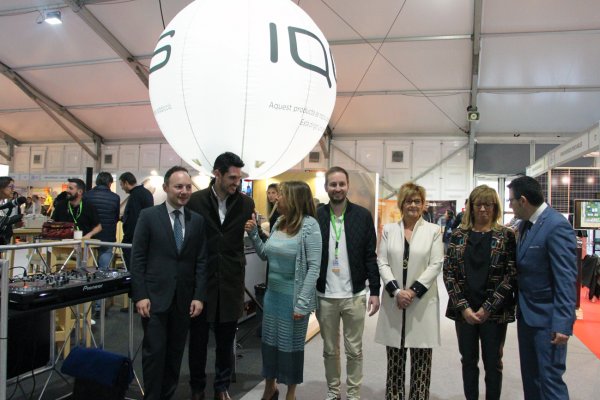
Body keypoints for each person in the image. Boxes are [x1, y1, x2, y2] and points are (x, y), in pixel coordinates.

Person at [130, 166, 207, 400]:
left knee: (175, 355)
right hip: (154, 299)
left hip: (183, 300)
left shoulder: (197, 221)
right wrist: (140, 294)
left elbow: (201, 261)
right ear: (165, 188)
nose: (184, 191)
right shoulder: (149, 216)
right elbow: (138, 258)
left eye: (188, 187)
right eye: (178, 186)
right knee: (154, 354)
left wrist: (198, 296)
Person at [186, 152, 255, 400]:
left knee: (226, 341)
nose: (237, 182)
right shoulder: (195, 201)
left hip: (231, 280)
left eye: (239, 177)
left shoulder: (246, 204)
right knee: (198, 340)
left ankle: (221, 387)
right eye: (232, 177)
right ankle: (197, 388)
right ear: (217, 173)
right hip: (201, 281)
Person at [244, 181, 321, 400]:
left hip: (294, 299)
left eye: (282, 194)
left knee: (291, 348)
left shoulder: (310, 226)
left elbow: (314, 268)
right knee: (269, 345)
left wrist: (302, 303)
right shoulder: (279, 222)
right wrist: (254, 234)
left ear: (295, 199)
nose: (277, 198)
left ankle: (291, 394)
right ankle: (270, 388)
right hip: (272, 296)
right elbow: (265, 255)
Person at [443, 185, 517, 400]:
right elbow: (449, 273)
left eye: (488, 204)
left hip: (494, 312)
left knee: (493, 363)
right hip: (464, 312)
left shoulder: (506, 236)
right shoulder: (458, 235)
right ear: (471, 207)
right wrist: (464, 307)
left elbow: (511, 275)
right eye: (478, 204)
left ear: (495, 207)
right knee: (468, 361)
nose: (483, 209)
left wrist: (488, 307)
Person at [507, 176, 577, 400]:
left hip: (548, 320)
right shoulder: (524, 225)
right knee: (531, 379)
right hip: (527, 316)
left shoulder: (556, 226)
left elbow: (566, 279)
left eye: (511, 201)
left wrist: (563, 323)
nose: (510, 206)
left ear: (523, 200)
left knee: (550, 381)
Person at [315, 166, 380, 400]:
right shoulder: (317, 216)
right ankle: (333, 392)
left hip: (354, 294)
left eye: (341, 184)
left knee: (354, 350)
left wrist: (375, 290)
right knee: (329, 350)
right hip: (325, 296)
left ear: (348, 186)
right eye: (333, 184)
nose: (337, 188)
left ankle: (353, 394)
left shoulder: (362, 216)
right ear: (326, 187)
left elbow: (370, 256)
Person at [375, 182, 444, 400]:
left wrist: (412, 291)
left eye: (417, 201)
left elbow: (436, 264)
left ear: (423, 205)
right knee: (395, 361)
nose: (413, 205)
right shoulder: (389, 230)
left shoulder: (433, 231)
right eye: (408, 201)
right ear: (401, 204)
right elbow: (382, 262)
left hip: (421, 302)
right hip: (395, 301)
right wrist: (397, 292)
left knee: (422, 361)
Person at [85, 172, 120, 271]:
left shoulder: (87, 195)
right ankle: (103, 276)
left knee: (87, 263)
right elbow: (116, 217)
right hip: (107, 234)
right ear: (109, 183)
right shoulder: (115, 197)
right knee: (105, 257)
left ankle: (88, 278)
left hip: (90, 234)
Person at [119, 172, 154, 268]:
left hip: (134, 237)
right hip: (146, 235)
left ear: (126, 183)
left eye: (121, 185)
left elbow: (133, 218)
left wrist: (127, 238)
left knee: (132, 266)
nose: (122, 188)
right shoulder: (147, 193)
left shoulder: (135, 195)